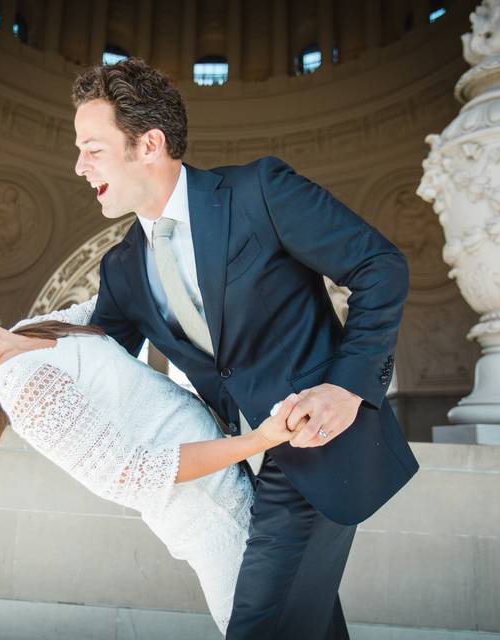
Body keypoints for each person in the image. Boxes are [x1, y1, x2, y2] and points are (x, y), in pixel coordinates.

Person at [72, 58, 419, 639]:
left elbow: (379, 266)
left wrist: (346, 387)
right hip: (240, 471)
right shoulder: (122, 269)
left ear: (149, 144)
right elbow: (94, 360)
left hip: (318, 442)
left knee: (260, 626)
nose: (79, 166)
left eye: (93, 148)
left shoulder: (259, 191)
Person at [0, 293, 306, 635]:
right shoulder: (22, 387)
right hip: (229, 533)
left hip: (253, 501)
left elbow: (119, 295)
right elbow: (134, 475)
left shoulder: (30, 331)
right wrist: (257, 440)